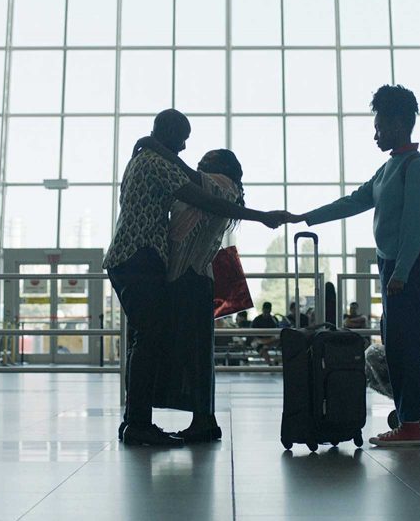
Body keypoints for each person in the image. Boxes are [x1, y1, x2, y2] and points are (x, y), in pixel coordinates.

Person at [104, 109, 285, 447]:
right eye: (183, 139)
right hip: (143, 260)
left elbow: (203, 194)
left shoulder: (156, 163)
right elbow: (197, 194)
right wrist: (261, 216)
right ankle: (141, 423)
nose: (188, 150)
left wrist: (151, 146)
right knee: (155, 342)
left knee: (157, 343)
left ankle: (143, 421)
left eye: (205, 158)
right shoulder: (156, 163)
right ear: (169, 133)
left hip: (162, 268)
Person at [287, 84, 420, 447]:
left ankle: (411, 425)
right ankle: (408, 418)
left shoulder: (416, 168)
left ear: (399, 123)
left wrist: (400, 273)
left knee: (405, 345)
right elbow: (354, 201)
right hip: (391, 269)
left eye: (380, 125)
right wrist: (307, 217)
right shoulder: (388, 168)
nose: (376, 133)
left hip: (406, 271)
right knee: (395, 343)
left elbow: (417, 227)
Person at [154, 149, 246, 443]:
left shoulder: (222, 186)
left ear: (226, 168)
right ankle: (203, 418)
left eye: (209, 161)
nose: (201, 165)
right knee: (195, 353)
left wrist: (159, 150)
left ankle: (203, 420)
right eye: (202, 162)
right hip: (192, 278)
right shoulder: (212, 188)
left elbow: (191, 178)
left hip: (189, 277)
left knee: (194, 354)